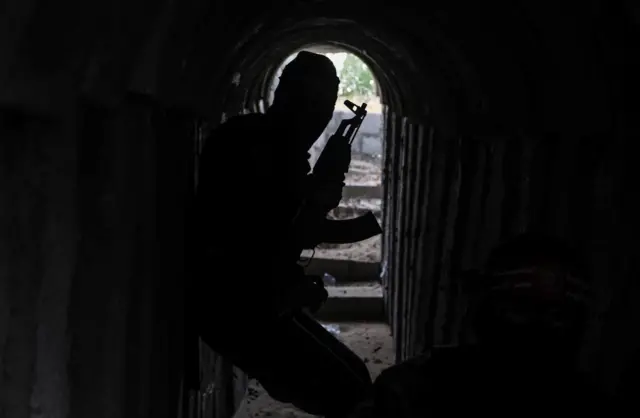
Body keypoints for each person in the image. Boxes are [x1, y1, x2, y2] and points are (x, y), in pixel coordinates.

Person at [192, 51, 372, 417]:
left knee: (355, 380)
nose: (318, 118)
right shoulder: (253, 145)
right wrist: (314, 197)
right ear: (286, 97)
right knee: (349, 391)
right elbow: (259, 232)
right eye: (311, 104)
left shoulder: (268, 144)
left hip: (256, 299)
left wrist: (314, 196)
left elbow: (283, 230)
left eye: (324, 107)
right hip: (234, 304)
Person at [371, 233, 611, 416]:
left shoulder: (412, 387)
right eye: (521, 308)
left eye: (557, 315)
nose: (537, 328)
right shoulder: (409, 392)